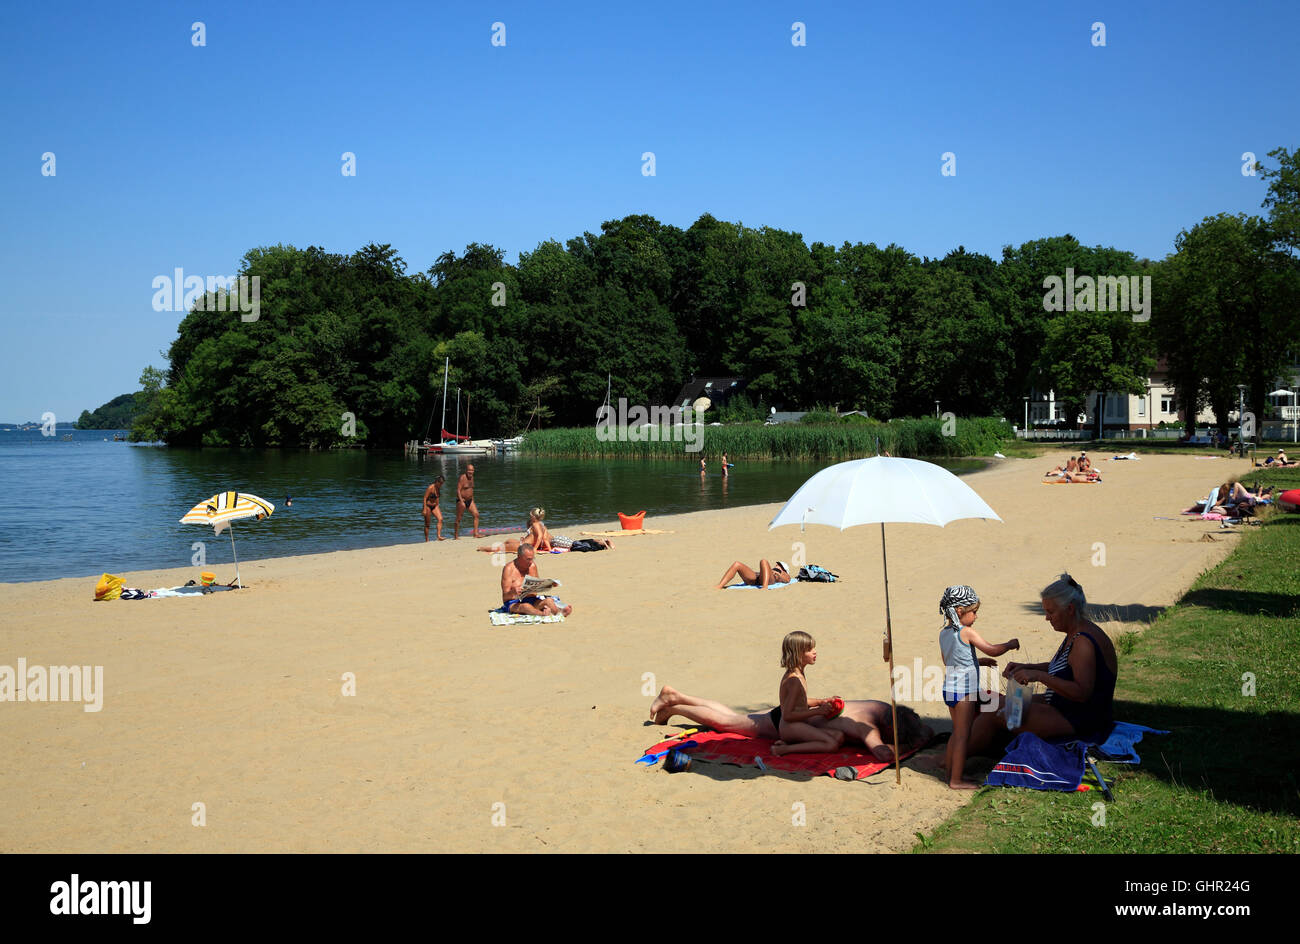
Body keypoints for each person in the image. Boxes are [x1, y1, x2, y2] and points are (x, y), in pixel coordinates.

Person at [966, 574, 1118, 764]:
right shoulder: (1078, 632)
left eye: (1051, 612)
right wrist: (1027, 667)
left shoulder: (1083, 642)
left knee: (993, 715)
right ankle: (972, 748)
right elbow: (1064, 668)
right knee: (999, 703)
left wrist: (1038, 676)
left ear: (1069, 609)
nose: (1047, 618)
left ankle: (949, 761)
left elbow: (1081, 693)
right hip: (1066, 707)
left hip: (1081, 720)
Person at [647, 685, 933, 763]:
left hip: (794, 713)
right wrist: (906, 746)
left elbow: (915, 724)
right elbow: (882, 753)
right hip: (787, 721)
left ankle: (677, 696)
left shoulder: (881, 708)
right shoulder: (867, 728)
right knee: (726, 724)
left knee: (734, 717)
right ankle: (678, 707)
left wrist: (918, 732)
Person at [937, 585, 1018, 790]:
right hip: (964, 692)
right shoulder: (967, 632)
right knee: (964, 735)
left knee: (956, 732)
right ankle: (956, 780)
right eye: (974, 612)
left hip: (949, 689)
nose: (976, 616)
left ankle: (948, 769)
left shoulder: (944, 634)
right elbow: (993, 649)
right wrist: (1008, 644)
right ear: (959, 611)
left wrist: (978, 662)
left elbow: (951, 661)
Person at [771, 632, 844, 756]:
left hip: (797, 724)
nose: (814, 652)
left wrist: (821, 701)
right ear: (798, 654)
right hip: (790, 726)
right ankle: (783, 750)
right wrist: (818, 711)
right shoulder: (794, 680)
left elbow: (800, 701)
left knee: (839, 736)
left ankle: (790, 745)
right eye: (809, 650)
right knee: (832, 745)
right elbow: (787, 715)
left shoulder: (799, 673)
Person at [499, 543, 572, 617]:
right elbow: (505, 597)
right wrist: (513, 592)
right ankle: (542, 614)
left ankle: (559, 614)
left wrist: (550, 585)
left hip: (531, 599)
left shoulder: (532, 566)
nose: (531, 562)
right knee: (526, 606)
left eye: (532, 558)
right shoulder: (509, 569)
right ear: (519, 556)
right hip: (513, 603)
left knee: (549, 601)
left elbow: (536, 589)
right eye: (528, 559)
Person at [713, 558, 791, 589]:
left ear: (784, 569)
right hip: (756, 578)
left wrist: (779, 574)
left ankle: (764, 587)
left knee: (763, 561)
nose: (777, 565)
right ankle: (720, 586)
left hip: (769, 581)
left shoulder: (784, 573)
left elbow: (788, 579)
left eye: (779, 565)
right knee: (737, 564)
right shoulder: (771, 570)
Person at [455, 464, 481, 539]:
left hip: (470, 500)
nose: (470, 472)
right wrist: (461, 501)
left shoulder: (472, 477)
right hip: (461, 500)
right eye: (469, 470)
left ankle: (475, 534)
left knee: (476, 515)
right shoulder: (462, 477)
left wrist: (473, 500)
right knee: (459, 518)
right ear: (466, 470)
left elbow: (471, 489)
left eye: (472, 470)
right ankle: (456, 536)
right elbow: (458, 490)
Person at [422, 475, 445, 542]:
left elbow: (437, 498)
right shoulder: (430, 487)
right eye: (440, 483)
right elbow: (425, 498)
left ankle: (438, 536)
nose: (441, 485)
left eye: (442, 483)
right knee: (427, 524)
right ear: (437, 482)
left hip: (435, 506)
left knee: (440, 519)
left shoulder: (438, 488)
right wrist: (424, 509)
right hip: (428, 506)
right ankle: (427, 540)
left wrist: (437, 506)